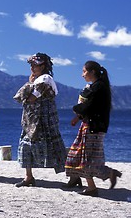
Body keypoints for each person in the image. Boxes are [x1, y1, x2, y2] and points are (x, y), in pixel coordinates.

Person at [65, 61, 122, 197]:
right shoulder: (97, 87)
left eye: (84, 71)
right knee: (78, 155)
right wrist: (77, 117)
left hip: (93, 128)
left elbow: (89, 107)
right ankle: (82, 178)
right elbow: (90, 108)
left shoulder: (98, 88)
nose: (82, 75)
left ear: (92, 72)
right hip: (90, 126)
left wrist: (75, 108)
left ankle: (92, 187)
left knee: (87, 158)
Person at [13, 53, 67, 187]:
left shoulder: (45, 79)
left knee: (54, 146)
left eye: (35, 65)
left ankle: (74, 176)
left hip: (44, 119)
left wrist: (29, 84)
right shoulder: (39, 79)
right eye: (31, 65)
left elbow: (31, 98)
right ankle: (28, 177)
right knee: (26, 145)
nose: (32, 67)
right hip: (33, 119)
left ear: (43, 66)